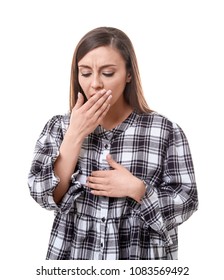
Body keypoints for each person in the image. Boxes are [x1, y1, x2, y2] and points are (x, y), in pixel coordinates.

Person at [28, 26, 198, 260]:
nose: (95, 83)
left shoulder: (165, 130)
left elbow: (187, 202)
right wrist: (75, 135)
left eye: (107, 73)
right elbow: (41, 194)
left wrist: (138, 190)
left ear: (128, 74)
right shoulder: (59, 127)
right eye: (85, 73)